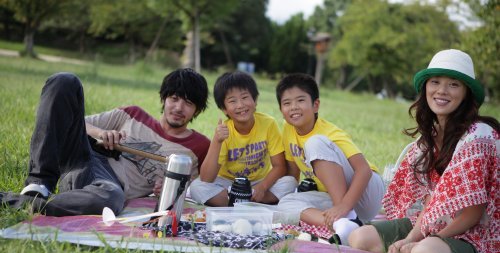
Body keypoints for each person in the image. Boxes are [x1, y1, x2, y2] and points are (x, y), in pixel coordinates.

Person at [349, 49, 499, 253]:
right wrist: (410, 239)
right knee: (360, 237)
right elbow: (431, 203)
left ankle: (432, 250)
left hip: (480, 235)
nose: (442, 91)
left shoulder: (478, 136)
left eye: (453, 84)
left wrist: (423, 242)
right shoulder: (429, 138)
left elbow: (473, 214)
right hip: (437, 224)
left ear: (466, 93)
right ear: (425, 88)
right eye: (435, 82)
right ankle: (422, 246)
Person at [1, 69, 210, 216]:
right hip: (81, 159)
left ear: (197, 111)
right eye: (174, 98)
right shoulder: (132, 114)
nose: (178, 107)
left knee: (110, 199)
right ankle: (39, 185)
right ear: (164, 99)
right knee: (65, 81)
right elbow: (72, 123)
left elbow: (199, 187)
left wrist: (170, 189)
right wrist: (101, 133)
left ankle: (19, 202)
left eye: (188, 103)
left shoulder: (199, 147)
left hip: (105, 186)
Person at [276, 73, 385, 245]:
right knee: (285, 204)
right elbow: (293, 172)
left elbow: (363, 170)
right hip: (335, 197)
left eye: (300, 100)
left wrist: (344, 207)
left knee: (314, 143)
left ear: (316, 105)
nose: (294, 107)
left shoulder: (329, 133)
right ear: (281, 110)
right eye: (287, 103)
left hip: (366, 192)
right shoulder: (288, 129)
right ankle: (342, 224)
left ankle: (346, 215)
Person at [189, 71, 297, 206]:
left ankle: (239, 203)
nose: (240, 105)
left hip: (257, 183)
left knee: (290, 182)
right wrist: (217, 141)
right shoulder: (225, 131)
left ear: (255, 100)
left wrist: (262, 187)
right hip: (228, 184)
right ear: (224, 109)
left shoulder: (268, 124)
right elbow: (206, 178)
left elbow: (279, 166)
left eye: (245, 97)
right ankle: (251, 204)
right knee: (197, 187)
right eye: (232, 101)